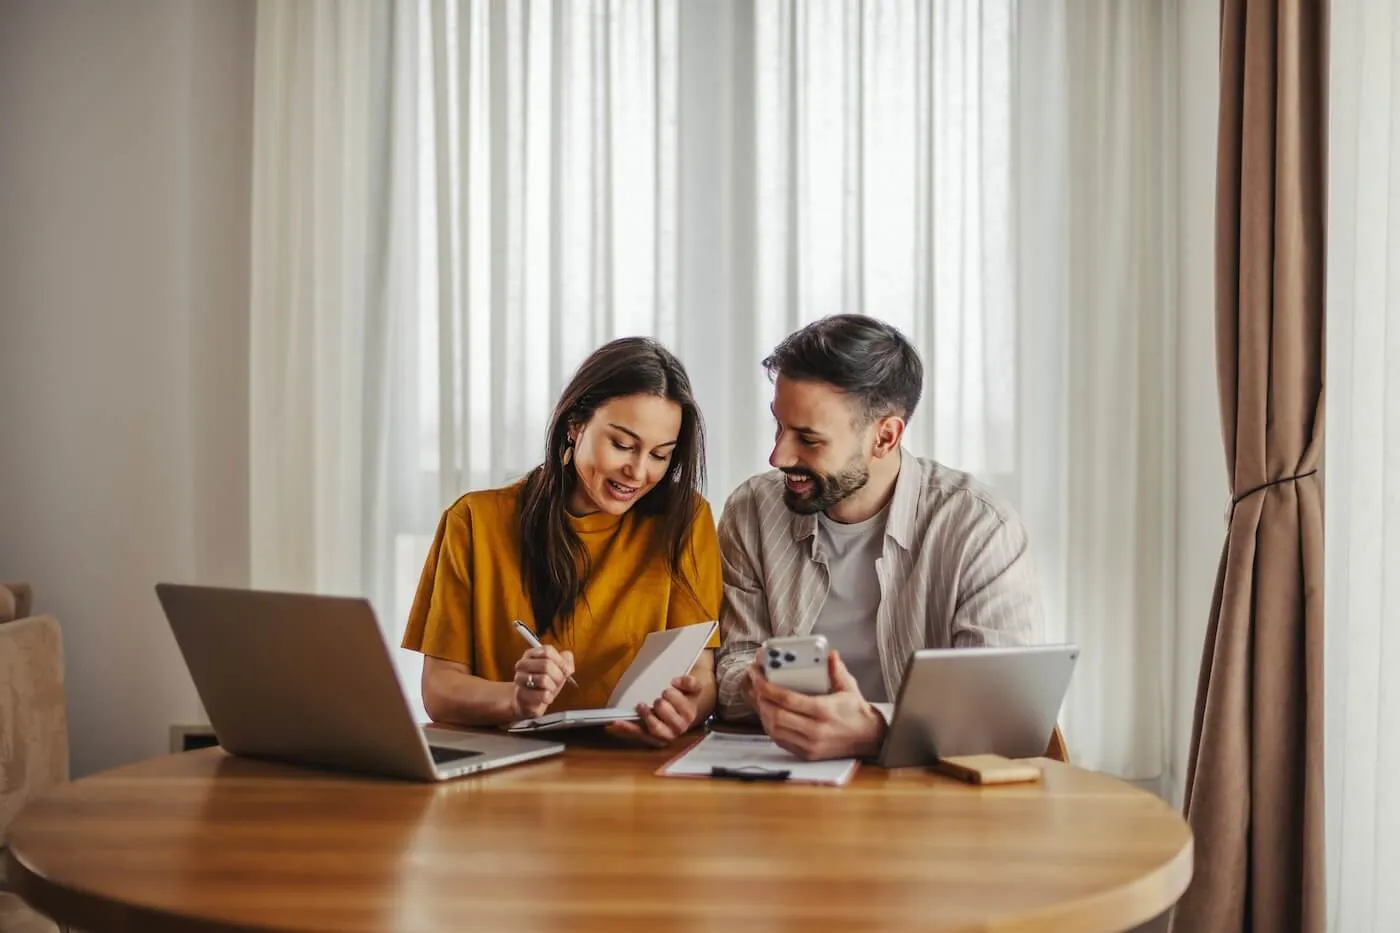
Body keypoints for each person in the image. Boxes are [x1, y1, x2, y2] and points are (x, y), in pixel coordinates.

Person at [715, 314, 1043, 760]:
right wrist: (760, 688)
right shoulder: (751, 511)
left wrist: (875, 730)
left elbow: (1001, 714)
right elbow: (732, 667)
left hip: (930, 789)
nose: (778, 455)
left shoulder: (979, 529)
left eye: (808, 439)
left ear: (885, 437)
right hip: (782, 773)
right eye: (779, 426)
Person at [402, 337, 721, 746]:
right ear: (575, 425)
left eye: (660, 455)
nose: (638, 472)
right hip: (509, 765)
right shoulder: (474, 522)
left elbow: (701, 676)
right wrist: (513, 699)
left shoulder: (685, 521)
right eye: (622, 445)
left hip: (632, 768)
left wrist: (685, 711)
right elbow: (441, 688)